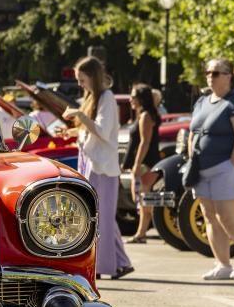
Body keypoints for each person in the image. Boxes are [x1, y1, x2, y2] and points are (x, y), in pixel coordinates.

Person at [190, 58, 234, 280]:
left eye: (217, 72)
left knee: (227, 216)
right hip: (201, 167)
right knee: (210, 216)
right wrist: (191, 157)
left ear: (229, 76)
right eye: (208, 72)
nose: (211, 76)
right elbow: (194, 132)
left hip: (226, 166)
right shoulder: (202, 101)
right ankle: (223, 264)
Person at [62, 56, 131, 280]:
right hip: (94, 162)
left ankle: (107, 265)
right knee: (101, 216)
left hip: (102, 166)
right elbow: (93, 131)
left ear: (92, 77)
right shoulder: (95, 97)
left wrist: (79, 115)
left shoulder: (107, 97)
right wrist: (72, 132)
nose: (80, 84)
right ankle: (119, 263)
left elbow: (102, 130)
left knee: (100, 217)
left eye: (82, 79)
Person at [125, 83, 162, 244]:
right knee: (141, 198)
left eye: (133, 96)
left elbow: (145, 142)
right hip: (145, 162)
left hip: (146, 163)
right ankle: (141, 233)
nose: (130, 99)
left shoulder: (146, 116)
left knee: (143, 197)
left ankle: (141, 234)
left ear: (141, 98)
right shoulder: (142, 115)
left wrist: (137, 164)